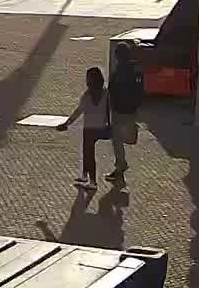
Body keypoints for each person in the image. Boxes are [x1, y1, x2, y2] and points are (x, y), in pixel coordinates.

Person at [56, 67, 114, 190]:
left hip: (89, 129)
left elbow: (78, 112)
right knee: (87, 152)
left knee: (88, 154)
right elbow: (110, 110)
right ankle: (85, 175)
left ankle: (91, 181)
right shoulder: (106, 92)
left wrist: (67, 124)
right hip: (102, 127)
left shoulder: (87, 95)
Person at [107, 44, 143, 185]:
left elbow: (111, 92)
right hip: (130, 110)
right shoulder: (136, 70)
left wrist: (110, 109)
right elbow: (140, 91)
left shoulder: (118, 73)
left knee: (118, 140)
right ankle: (121, 164)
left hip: (120, 111)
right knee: (120, 139)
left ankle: (121, 165)